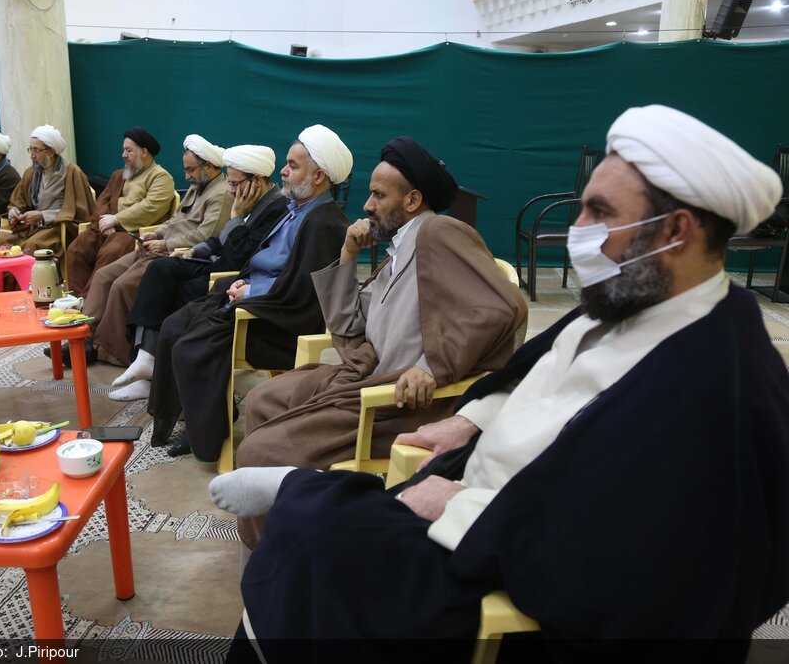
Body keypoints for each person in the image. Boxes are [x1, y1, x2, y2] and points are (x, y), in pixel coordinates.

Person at [209, 106, 789, 660]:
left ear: (675, 231)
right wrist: (470, 419)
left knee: (311, 554)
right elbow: (533, 370)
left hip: (497, 554)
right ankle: (309, 496)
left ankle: (305, 493)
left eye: (600, 213)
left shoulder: (724, 387)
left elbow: (636, 562)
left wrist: (466, 506)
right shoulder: (632, 299)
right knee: (310, 535)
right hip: (472, 486)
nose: (577, 232)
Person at [234, 136, 529, 547]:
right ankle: (282, 532)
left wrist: (431, 367)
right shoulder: (400, 248)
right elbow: (350, 325)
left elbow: (502, 307)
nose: (368, 205)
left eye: (378, 195)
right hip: (366, 375)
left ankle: (279, 560)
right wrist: (348, 254)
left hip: (396, 404)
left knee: (257, 453)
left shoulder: (438, 232)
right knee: (262, 400)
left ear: (412, 201)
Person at [148, 125, 352, 459]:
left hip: (276, 324)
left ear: (318, 177)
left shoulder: (325, 222)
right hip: (261, 302)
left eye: (293, 165)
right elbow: (268, 264)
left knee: (190, 347)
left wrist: (252, 292)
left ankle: (212, 433)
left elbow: (303, 290)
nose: (283, 172)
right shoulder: (297, 209)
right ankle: (199, 418)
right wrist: (244, 283)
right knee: (173, 325)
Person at [107, 144, 289, 401]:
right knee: (159, 269)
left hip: (230, 275)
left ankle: (155, 377)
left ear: (256, 181)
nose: (231, 190)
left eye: (235, 184)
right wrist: (195, 250)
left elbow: (240, 256)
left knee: (177, 289)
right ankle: (144, 357)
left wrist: (237, 216)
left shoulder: (276, 209)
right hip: (215, 262)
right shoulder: (251, 200)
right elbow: (221, 241)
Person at [51, 134, 232, 367]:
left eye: (191, 170)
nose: (187, 176)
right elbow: (175, 220)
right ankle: (83, 337)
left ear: (209, 166)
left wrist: (165, 244)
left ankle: (108, 350)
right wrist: (155, 234)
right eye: (186, 170)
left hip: (176, 254)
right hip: (155, 246)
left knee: (121, 285)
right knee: (103, 275)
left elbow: (206, 236)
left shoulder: (221, 194)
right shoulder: (197, 186)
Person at [65, 127, 176, 298]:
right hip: (106, 229)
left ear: (144, 152)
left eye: (128, 150)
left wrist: (116, 219)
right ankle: (76, 299)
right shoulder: (119, 175)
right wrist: (105, 222)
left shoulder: (161, 177)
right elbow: (102, 201)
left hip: (133, 233)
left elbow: (150, 208)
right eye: (124, 150)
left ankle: (89, 303)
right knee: (77, 249)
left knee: (110, 252)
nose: (123, 155)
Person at [0, 124, 95, 264]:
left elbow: (80, 212)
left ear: (51, 152)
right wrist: (15, 211)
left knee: (31, 246)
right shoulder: (31, 173)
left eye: (36, 150)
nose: (32, 155)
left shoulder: (72, 172)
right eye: (30, 149)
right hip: (29, 229)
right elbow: (18, 202)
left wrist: (43, 216)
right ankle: (0, 279)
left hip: (57, 230)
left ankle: (26, 279)